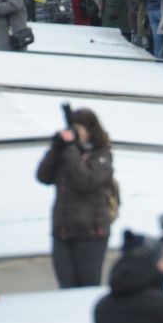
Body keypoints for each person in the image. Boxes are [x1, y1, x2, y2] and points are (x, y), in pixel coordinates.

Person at [35, 108, 116, 288]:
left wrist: (70, 149)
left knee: (87, 286)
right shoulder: (65, 152)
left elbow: (84, 181)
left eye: (78, 129)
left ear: (90, 130)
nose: (74, 133)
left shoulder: (102, 156)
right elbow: (43, 176)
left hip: (91, 234)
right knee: (66, 286)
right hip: (63, 232)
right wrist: (56, 148)